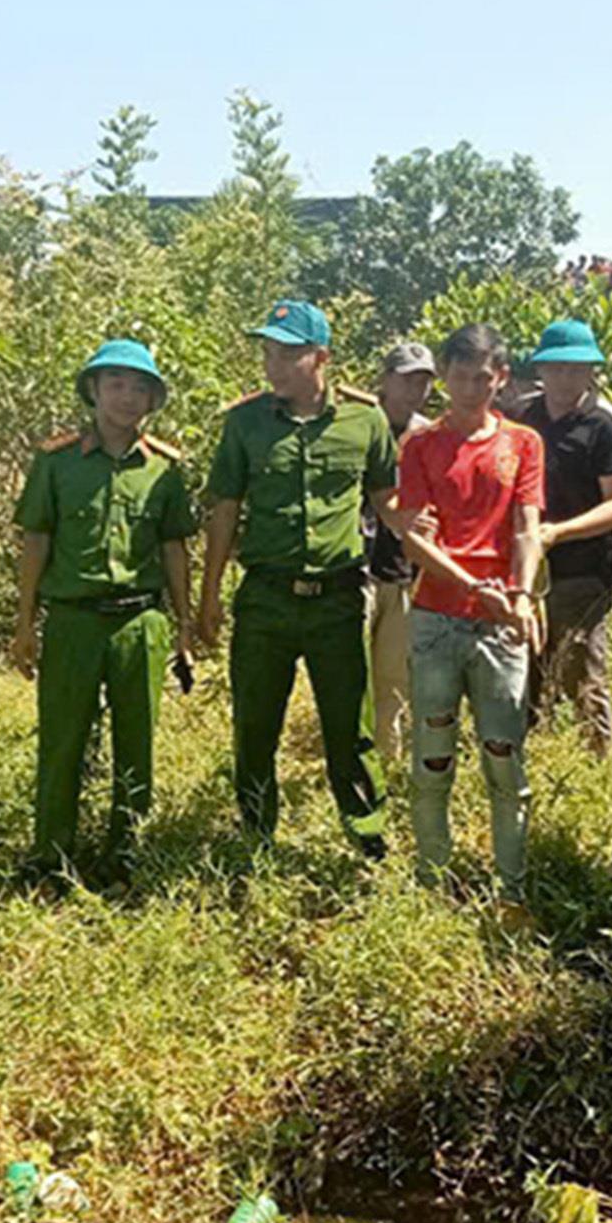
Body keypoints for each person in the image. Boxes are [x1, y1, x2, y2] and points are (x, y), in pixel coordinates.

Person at [198, 298, 397, 857]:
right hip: (265, 597)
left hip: (336, 599)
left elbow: (389, 502)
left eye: (287, 353)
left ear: (321, 357)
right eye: (268, 352)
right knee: (256, 724)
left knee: (348, 726)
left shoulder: (366, 421)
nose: (273, 365)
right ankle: (257, 833)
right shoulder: (245, 423)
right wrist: (209, 594)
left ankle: (366, 834)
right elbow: (225, 511)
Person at [10, 339, 196, 883]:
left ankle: (126, 850)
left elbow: (174, 549)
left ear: (152, 399)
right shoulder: (56, 462)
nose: (127, 397)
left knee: (136, 741)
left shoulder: (163, 470)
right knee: (62, 738)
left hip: (140, 621)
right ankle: (50, 854)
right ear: (93, 390)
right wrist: (25, 624)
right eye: (115, 384)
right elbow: (36, 542)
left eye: (140, 387)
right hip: (73, 621)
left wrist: (184, 624)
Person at [398, 326, 544, 917]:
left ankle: (510, 885)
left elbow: (527, 526)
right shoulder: (421, 446)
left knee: (504, 753)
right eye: (460, 376)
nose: (471, 388)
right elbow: (411, 537)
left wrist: (523, 594)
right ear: (444, 377)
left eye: (483, 377)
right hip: (437, 617)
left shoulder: (523, 444)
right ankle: (433, 880)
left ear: (500, 378)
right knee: (433, 753)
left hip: (501, 620)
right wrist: (472, 586)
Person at [512, 320, 612, 757]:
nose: (566, 377)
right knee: (525, 668)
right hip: (528, 569)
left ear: (591, 372)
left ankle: (596, 764)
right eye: (557, 368)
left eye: (576, 369)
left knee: (581, 673)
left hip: (584, 568)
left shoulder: (605, 423)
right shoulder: (522, 416)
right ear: (541, 371)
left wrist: (558, 532)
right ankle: (526, 760)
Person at [364, 342, 437, 770]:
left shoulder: (427, 436)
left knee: (394, 676)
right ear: (386, 378)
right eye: (407, 378)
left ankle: (384, 765)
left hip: (404, 568)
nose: (415, 389)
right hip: (355, 565)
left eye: (424, 380)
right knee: (352, 674)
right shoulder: (357, 423)